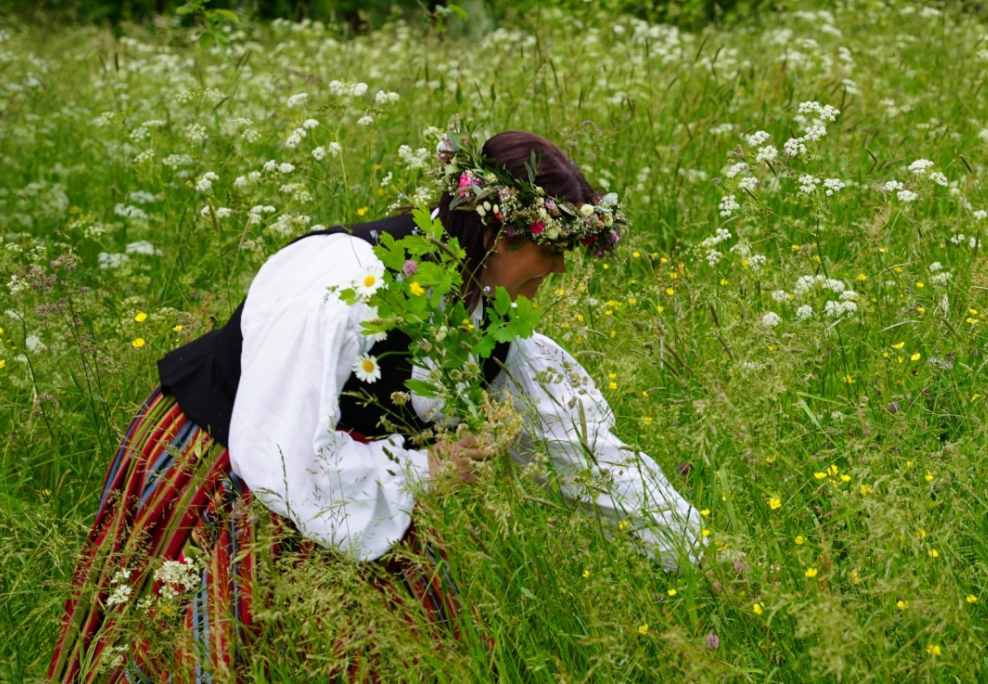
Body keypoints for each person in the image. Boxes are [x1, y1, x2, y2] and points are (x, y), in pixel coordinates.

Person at [50, 130, 704, 682]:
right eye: (550, 254)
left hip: (354, 494)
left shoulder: (492, 322)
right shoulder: (340, 282)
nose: (557, 273)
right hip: (227, 471)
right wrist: (423, 472)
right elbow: (280, 452)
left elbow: (580, 451)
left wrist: (695, 550)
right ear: (501, 236)